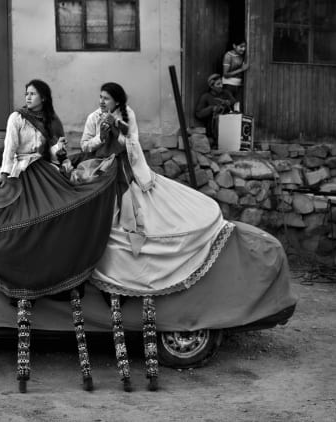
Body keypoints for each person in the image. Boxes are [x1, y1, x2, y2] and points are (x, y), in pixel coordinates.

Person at [0, 79, 118, 392]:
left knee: (62, 210)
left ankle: (57, 268)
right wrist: (3, 174)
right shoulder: (16, 119)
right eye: (26, 93)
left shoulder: (53, 121)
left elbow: (59, 154)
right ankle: (21, 272)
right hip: (21, 173)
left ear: (43, 97)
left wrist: (62, 159)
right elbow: (9, 149)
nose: (27, 97)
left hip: (46, 173)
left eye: (32, 93)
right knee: (13, 219)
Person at [82, 82, 235, 391]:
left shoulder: (128, 115)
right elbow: (87, 146)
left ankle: (140, 266)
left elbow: (133, 144)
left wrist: (121, 131)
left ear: (117, 101)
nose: (101, 101)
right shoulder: (92, 117)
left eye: (106, 98)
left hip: (126, 172)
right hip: (100, 171)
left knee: (146, 218)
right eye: (100, 97)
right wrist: (101, 133)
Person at [195, 73, 237, 141]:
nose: (221, 86)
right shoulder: (206, 96)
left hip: (228, 126)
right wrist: (211, 108)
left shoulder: (226, 93)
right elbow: (198, 114)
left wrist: (228, 102)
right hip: (213, 128)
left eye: (221, 83)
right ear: (212, 86)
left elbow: (234, 101)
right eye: (218, 84)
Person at [222, 39, 249, 105]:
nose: (243, 49)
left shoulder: (242, 55)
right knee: (229, 107)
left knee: (237, 108)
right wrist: (241, 69)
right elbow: (225, 74)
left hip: (239, 85)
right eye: (241, 46)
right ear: (234, 46)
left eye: (245, 47)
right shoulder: (228, 56)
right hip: (229, 85)